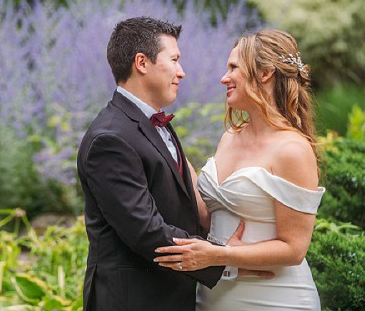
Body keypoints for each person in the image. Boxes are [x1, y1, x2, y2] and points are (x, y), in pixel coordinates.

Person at [77, 16, 248, 311]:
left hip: (170, 296)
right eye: (174, 60)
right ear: (142, 63)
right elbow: (146, 231)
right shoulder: (110, 139)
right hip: (134, 301)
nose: (181, 72)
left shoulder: (156, 122)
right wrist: (221, 256)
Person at [154, 29, 325, 310]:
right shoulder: (230, 137)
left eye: (233, 67)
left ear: (265, 73)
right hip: (213, 295)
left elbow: (294, 249)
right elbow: (212, 215)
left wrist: (221, 255)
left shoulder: (292, 150)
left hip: (274, 297)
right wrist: (166, 152)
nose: (224, 78)